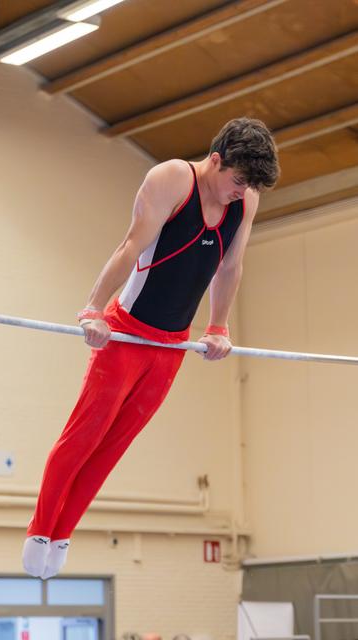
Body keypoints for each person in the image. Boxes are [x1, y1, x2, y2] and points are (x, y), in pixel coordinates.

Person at [22, 117, 280, 579]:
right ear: (216, 160)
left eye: (250, 186)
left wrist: (218, 327)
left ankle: (63, 534)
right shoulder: (171, 179)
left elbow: (230, 267)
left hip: (172, 347)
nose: (241, 192)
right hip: (125, 334)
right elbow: (129, 246)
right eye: (238, 181)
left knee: (113, 446)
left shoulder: (247, 201)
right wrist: (94, 310)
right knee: (84, 436)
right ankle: (40, 529)